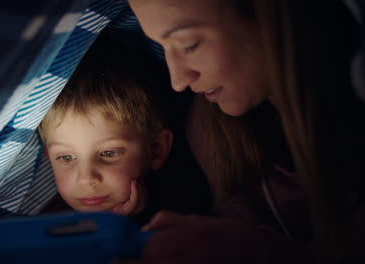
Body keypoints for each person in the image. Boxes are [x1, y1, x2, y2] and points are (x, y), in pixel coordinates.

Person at [121, 0, 365, 263]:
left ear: (267, 16)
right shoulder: (212, 131)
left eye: (189, 44)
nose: (178, 80)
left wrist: (264, 251)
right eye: (161, 46)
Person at [37, 31, 174, 219]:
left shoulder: (182, 216)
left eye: (108, 153)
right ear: (48, 157)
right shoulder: (36, 219)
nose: (86, 179)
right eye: (66, 157)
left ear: (157, 149)